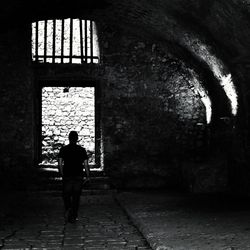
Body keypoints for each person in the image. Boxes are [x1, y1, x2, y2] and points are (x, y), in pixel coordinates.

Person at [58, 131, 90, 223]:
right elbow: (86, 164)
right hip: (78, 175)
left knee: (66, 195)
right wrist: (88, 176)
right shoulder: (81, 150)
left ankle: (68, 209)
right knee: (76, 196)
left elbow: (60, 163)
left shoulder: (63, 149)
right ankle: (74, 215)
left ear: (69, 138)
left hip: (67, 175)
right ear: (77, 139)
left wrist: (62, 173)